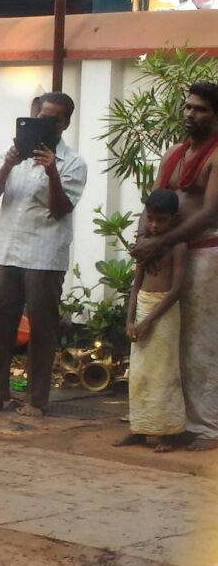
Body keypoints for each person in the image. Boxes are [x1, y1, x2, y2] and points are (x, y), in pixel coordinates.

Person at [0, 91, 87, 418]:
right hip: (8, 250)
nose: (43, 123)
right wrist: (8, 163)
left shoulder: (73, 163)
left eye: (50, 119)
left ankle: (37, 399)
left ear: (64, 123)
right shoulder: (16, 156)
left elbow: (61, 210)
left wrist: (52, 173)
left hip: (45, 256)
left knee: (42, 327)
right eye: (39, 116)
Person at [131, 81, 218, 450]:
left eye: (199, 109)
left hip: (204, 253)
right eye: (187, 107)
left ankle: (208, 427)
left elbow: (211, 212)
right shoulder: (174, 155)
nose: (189, 114)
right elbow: (152, 203)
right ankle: (167, 420)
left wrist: (161, 241)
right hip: (163, 252)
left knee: (200, 341)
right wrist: (142, 241)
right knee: (166, 340)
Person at [116, 190, 188, 452]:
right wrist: (130, 320)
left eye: (161, 220)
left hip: (165, 313)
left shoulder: (178, 247)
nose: (154, 225)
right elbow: (135, 286)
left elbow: (177, 289)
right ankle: (140, 427)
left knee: (163, 371)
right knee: (139, 372)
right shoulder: (145, 245)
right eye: (151, 219)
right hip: (143, 308)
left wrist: (149, 321)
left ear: (174, 219)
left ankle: (166, 432)